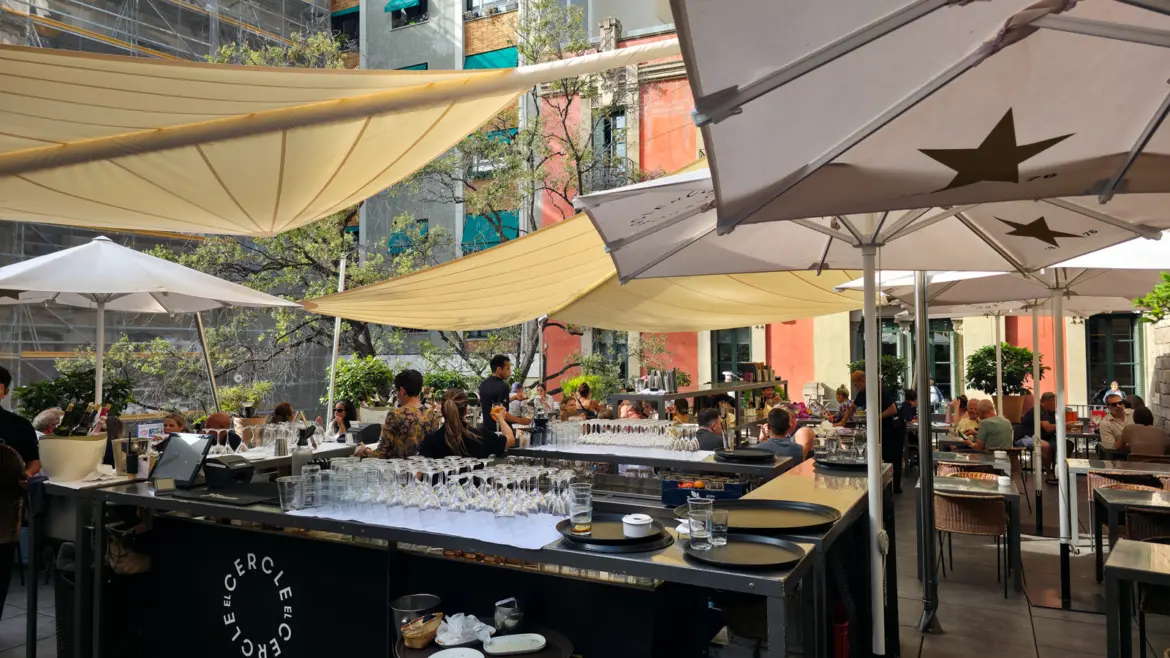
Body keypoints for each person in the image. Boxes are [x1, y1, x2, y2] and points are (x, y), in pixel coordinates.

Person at [357, 369, 441, 459]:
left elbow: (382, 453)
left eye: (396, 391)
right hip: (425, 469)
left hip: (400, 470)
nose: (397, 395)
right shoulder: (432, 414)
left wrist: (365, 450)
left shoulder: (395, 414)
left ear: (402, 391)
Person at [420, 388, 515, 458]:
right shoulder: (480, 436)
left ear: (442, 410)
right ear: (466, 411)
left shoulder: (431, 440)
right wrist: (501, 419)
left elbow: (419, 473)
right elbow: (510, 440)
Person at [0, 367, 39, 478]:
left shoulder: (20, 425)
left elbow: (34, 461)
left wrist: (28, 473)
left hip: (6, 491)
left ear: (5, 393)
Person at [479, 355, 529, 436]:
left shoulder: (483, 384)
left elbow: (494, 404)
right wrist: (521, 421)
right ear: (499, 369)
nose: (510, 372)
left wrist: (514, 397)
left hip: (486, 431)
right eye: (507, 369)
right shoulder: (503, 387)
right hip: (500, 432)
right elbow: (502, 414)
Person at [1017, 392, 1058, 480]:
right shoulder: (1038, 410)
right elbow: (1049, 428)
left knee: (1064, 444)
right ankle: (1049, 472)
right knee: (1045, 446)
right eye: (1054, 401)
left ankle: (1059, 470)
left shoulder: (1051, 412)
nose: (1056, 404)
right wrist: (1066, 425)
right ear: (1048, 401)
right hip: (1025, 437)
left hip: (1042, 436)